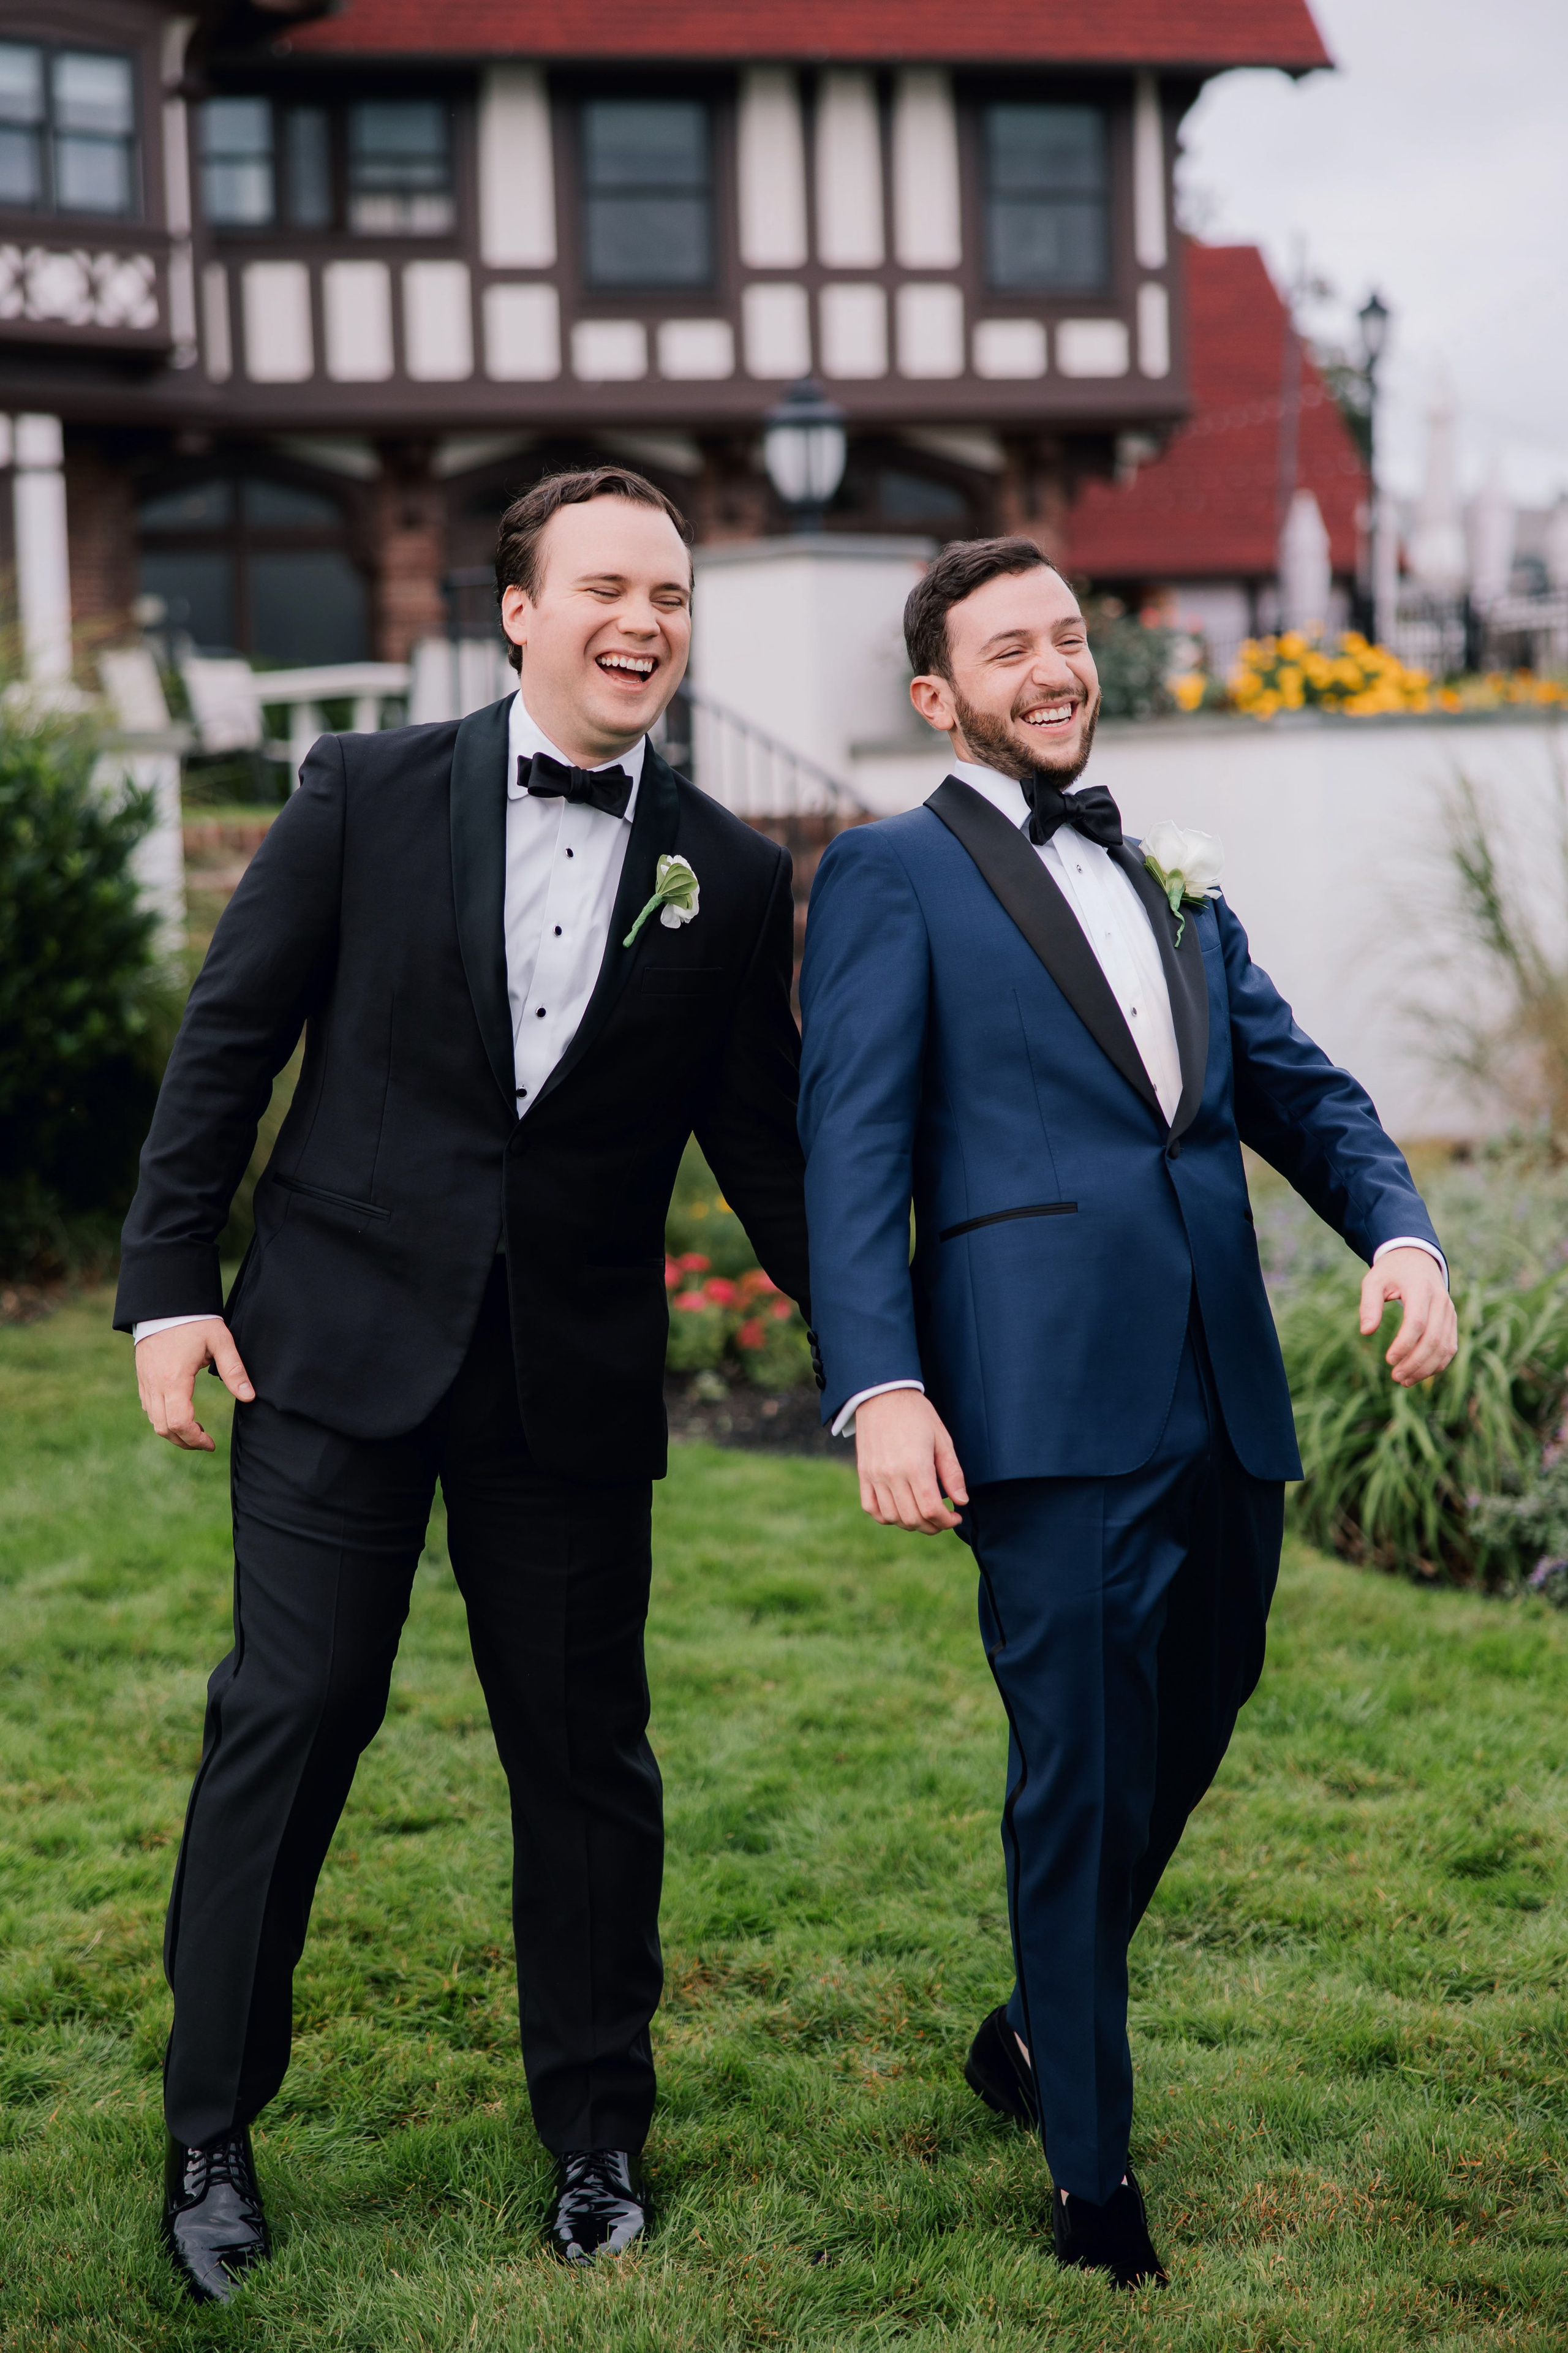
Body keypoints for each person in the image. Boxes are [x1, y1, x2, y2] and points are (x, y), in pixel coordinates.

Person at [116, 466, 810, 2303]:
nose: (643, 621)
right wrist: (167, 1283)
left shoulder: (729, 876)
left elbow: (771, 1152)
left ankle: (596, 2137)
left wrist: (894, 1354)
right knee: (296, 1708)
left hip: (563, 1381)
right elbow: (231, 1035)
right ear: (518, 608)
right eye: (605, 585)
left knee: (585, 1759)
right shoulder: (362, 790)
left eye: (668, 591)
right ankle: (208, 2129)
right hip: (334, 1343)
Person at [796, 535, 1456, 2290]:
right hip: (1040, 1398)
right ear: (939, 695)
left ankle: (1030, 2023)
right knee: (1078, 1774)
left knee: (1205, 1703)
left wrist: (1399, 1225)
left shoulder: (1170, 873)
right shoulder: (888, 875)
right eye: (1008, 647)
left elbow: (1296, 1086)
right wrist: (879, 1382)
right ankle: (1093, 2180)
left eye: (1070, 635)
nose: (1054, 666)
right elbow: (851, 1145)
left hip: (1219, 1381)